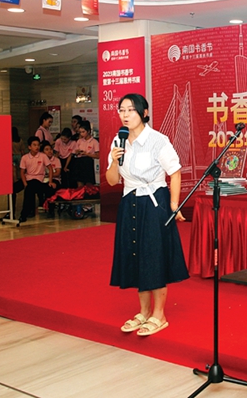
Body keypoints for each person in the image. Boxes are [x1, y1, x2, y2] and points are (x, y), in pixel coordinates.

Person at [107, 93, 188, 336]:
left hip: (154, 202)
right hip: (130, 201)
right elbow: (111, 180)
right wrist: (114, 161)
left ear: (144, 113)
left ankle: (159, 315)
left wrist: (173, 205)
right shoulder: (119, 140)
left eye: (130, 110)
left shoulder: (158, 140)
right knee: (135, 255)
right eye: (122, 110)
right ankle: (143, 312)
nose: (125, 115)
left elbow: (175, 172)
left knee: (154, 256)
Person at [18, 136, 51, 223]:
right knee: (13, 188)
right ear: (29, 147)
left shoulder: (43, 156)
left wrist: (50, 181)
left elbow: (50, 168)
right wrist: (24, 183)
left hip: (38, 179)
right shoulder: (25, 157)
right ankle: (10, 212)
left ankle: (24, 214)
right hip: (27, 178)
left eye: (38, 145)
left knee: (30, 188)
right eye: (34, 145)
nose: (37, 147)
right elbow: (22, 172)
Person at [69, 120, 98, 188]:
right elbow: (74, 152)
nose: (81, 134)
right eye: (80, 132)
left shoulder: (94, 142)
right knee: (79, 183)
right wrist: (77, 152)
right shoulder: (79, 141)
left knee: (89, 184)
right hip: (79, 162)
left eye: (83, 132)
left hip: (88, 162)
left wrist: (86, 154)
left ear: (88, 131)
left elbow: (98, 155)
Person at [41, 141, 61, 217]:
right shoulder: (41, 160)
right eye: (47, 149)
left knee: (50, 188)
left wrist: (48, 175)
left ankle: (51, 210)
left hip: (55, 179)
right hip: (43, 179)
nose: (49, 151)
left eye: (50, 149)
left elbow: (57, 173)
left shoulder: (56, 160)